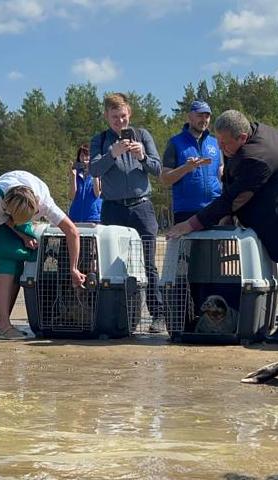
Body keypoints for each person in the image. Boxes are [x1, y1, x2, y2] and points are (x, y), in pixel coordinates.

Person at [168, 110, 278, 345]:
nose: (221, 147)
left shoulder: (256, 156)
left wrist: (192, 223)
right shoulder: (247, 136)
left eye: (226, 143)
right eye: (219, 141)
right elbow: (232, 184)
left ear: (243, 137)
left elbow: (235, 197)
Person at [89, 92, 165, 333]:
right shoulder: (100, 140)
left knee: (149, 263)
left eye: (123, 116)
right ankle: (119, 314)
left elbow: (157, 168)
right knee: (112, 263)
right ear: (106, 116)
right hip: (112, 209)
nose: (120, 121)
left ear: (129, 114)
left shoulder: (142, 136)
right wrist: (113, 153)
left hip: (142, 206)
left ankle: (158, 315)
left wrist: (141, 156)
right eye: (114, 117)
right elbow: (93, 170)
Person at [0, 170, 85, 339]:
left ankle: (5, 320)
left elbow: (72, 231)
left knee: (19, 261)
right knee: (8, 260)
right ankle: (3, 326)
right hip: (2, 211)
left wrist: (74, 268)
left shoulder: (44, 202)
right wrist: (22, 235)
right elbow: (3, 221)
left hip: (22, 204)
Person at [160, 100, 223, 224]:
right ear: (189, 117)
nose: (204, 119)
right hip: (186, 212)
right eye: (200, 115)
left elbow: (220, 170)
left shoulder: (215, 142)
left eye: (207, 116)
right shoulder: (175, 143)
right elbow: (165, 179)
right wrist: (186, 168)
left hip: (214, 208)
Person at [67, 144, 102, 224]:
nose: (84, 158)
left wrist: (94, 173)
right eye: (82, 156)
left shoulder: (99, 173)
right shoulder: (75, 174)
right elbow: (72, 196)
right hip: (75, 216)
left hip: (93, 217)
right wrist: (73, 176)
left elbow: (97, 194)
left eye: (87, 155)